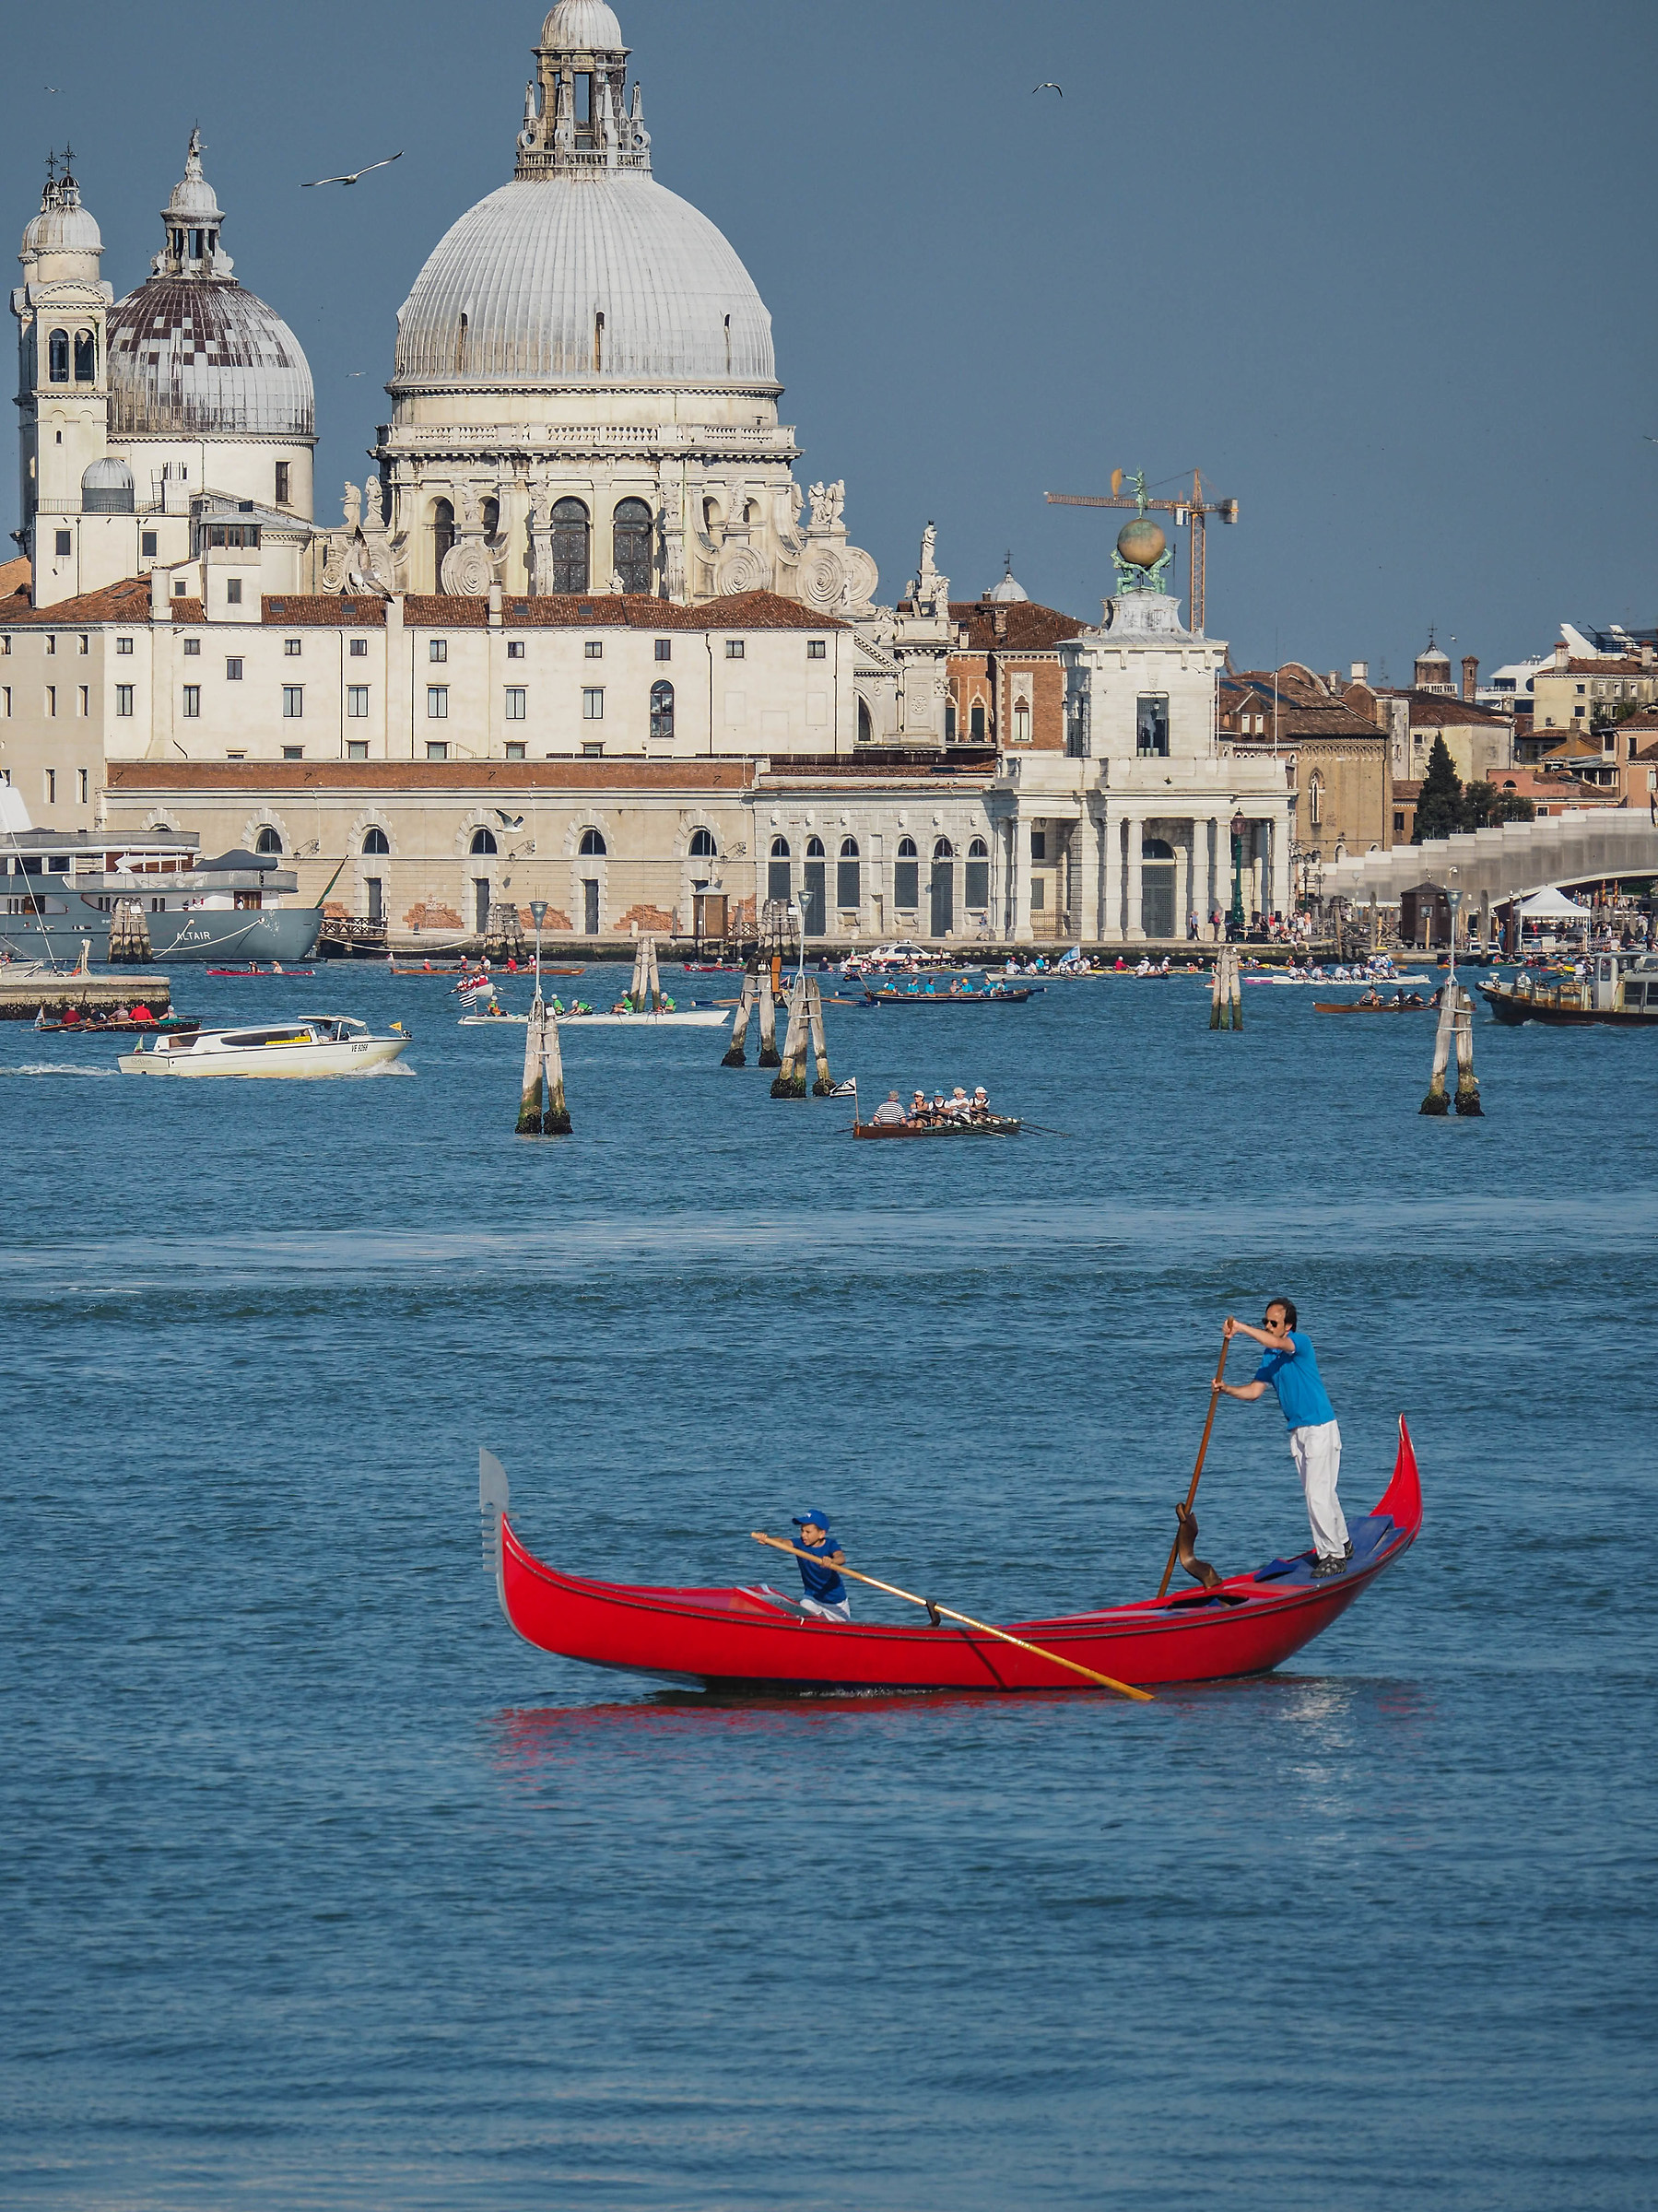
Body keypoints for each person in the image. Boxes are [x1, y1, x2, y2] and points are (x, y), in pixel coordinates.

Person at [1213, 1300, 1352, 1577]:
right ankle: (1343, 1542)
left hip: (1320, 1427)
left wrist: (1239, 1327)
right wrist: (1226, 1389)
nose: (1267, 1326)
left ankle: (1333, 1555)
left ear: (1287, 1326)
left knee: (1317, 1496)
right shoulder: (1269, 1357)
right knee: (1320, 1493)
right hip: (1298, 1432)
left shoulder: (1299, 1343)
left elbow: (1278, 1344)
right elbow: (1254, 1392)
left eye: (1272, 1323)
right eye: (1265, 1321)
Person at [789, 1511, 851, 1621]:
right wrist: (767, 1540)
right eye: (802, 1530)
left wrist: (831, 1562)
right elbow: (783, 1542)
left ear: (821, 1534)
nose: (803, 1535)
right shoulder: (800, 1544)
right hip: (812, 1597)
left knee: (843, 1631)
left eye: (808, 1532)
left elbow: (841, 1558)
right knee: (797, 1619)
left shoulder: (830, 1545)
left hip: (834, 1601)